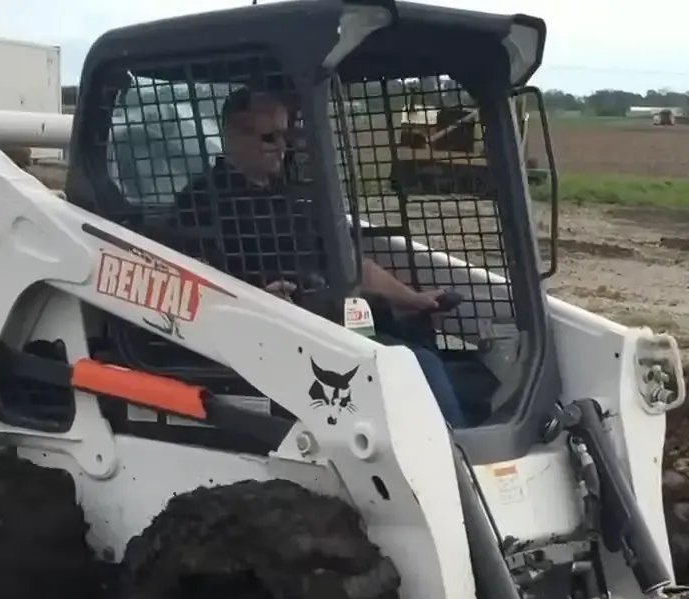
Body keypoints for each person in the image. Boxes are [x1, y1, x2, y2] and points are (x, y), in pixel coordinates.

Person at [172, 88, 468, 427]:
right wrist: (255, 300)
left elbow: (351, 264)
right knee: (416, 367)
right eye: (270, 137)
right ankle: (460, 453)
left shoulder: (296, 197)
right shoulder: (199, 204)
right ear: (234, 136)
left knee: (423, 344)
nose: (282, 147)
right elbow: (192, 283)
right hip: (268, 340)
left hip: (330, 321)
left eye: (287, 135)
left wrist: (415, 300)